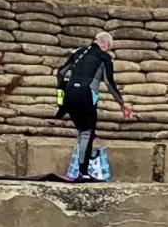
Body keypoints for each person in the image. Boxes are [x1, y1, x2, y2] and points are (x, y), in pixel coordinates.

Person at [56, 31, 134, 182]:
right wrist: (122, 104)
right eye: (109, 48)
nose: (108, 51)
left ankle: (81, 169)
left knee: (82, 132)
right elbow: (110, 84)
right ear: (105, 44)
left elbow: (60, 73)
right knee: (86, 133)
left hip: (69, 96)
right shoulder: (103, 57)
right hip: (86, 96)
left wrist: (60, 98)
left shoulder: (78, 52)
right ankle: (83, 173)